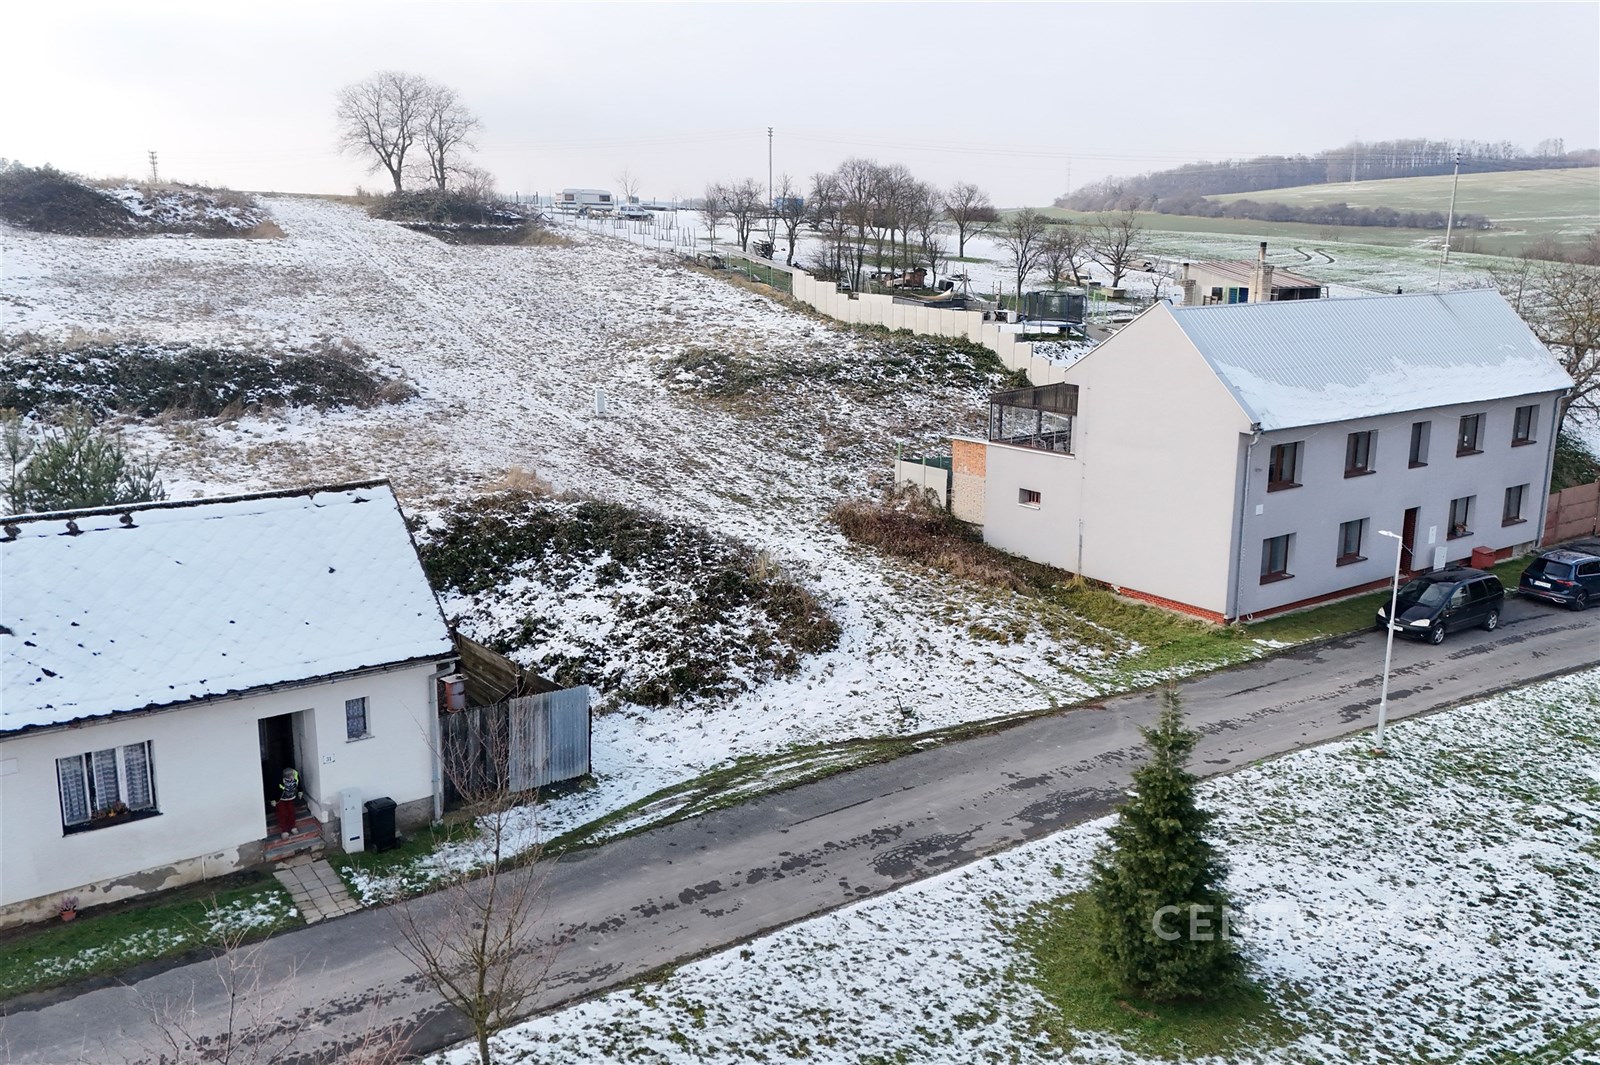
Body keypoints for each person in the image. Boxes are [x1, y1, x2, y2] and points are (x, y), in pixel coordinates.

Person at [275, 767, 300, 839]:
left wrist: (300, 791)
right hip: (281, 799)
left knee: (291, 812)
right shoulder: (280, 781)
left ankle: (292, 827)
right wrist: (273, 799)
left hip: (290, 798)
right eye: (291, 775)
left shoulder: (295, 779)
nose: (293, 776)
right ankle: (284, 830)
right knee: (282, 813)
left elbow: (298, 783)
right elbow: (275, 789)